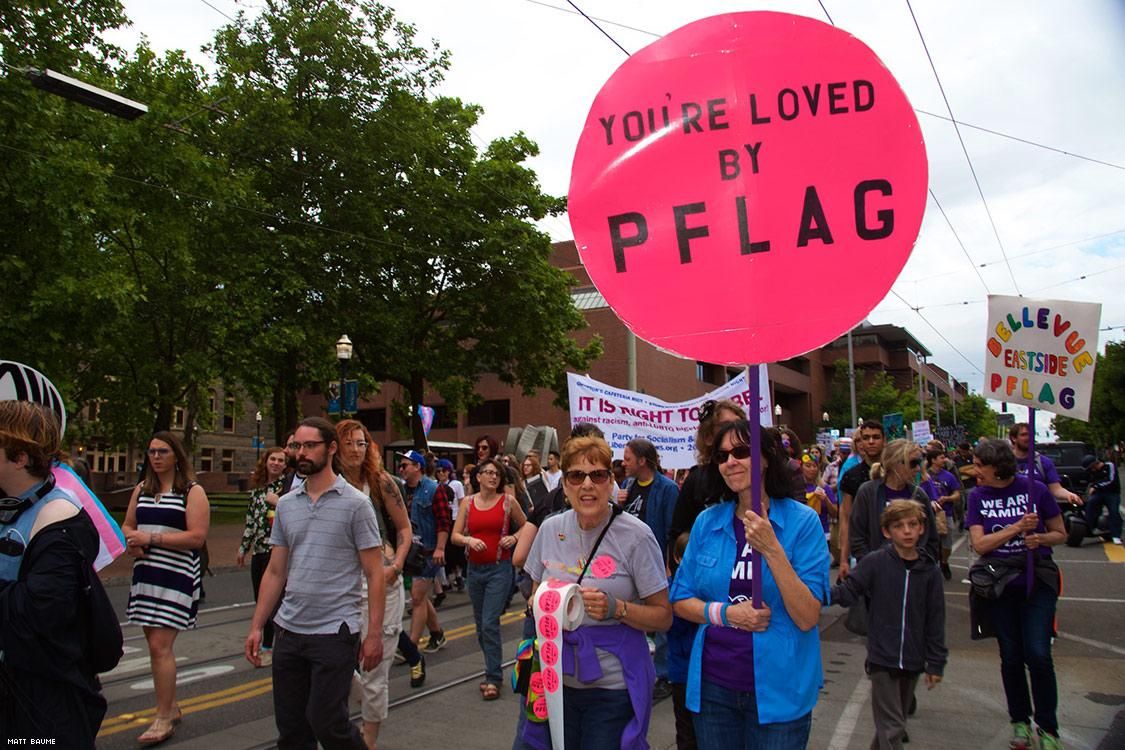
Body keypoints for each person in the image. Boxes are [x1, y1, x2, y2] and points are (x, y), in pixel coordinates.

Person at [670, 421, 829, 748]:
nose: (730, 461)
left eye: (741, 452)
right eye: (722, 455)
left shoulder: (802, 523)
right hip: (714, 689)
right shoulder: (707, 522)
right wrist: (727, 614)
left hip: (780, 690)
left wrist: (772, 547)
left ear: (766, 459)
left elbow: (807, 616)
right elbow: (680, 599)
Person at [522, 435, 672, 749]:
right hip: (555, 684)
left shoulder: (637, 536)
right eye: (576, 476)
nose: (587, 485)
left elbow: (663, 617)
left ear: (611, 482)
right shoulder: (550, 529)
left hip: (611, 690)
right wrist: (539, 604)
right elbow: (535, 597)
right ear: (564, 485)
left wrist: (616, 608)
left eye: (598, 475)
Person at [244, 417, 385, 749]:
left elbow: (375, 572)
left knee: (328, 722)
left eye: (310, 446)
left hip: (334, 633)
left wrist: (374, 635)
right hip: (289, 632)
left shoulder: (356, 504)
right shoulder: (289, 505)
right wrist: (256, 625)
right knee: (291, 731)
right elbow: (276, 571)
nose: (301, 453)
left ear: (331, 448)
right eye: (297, 446)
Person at [0, 402, 114, 746]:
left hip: (41, 700)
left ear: (20, 457)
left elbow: (40, 611)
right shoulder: (13, 502)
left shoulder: (61, 518)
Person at [967, 439, 1066, 750]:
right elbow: (979, 545)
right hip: (999, 586)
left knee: (1038, 654)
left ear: (997, 468)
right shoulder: (977, 497)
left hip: (1036, 581)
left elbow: (1060, 533)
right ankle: (1020, 721)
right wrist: (1015, 528)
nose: (975, 471)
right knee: (1011, 656)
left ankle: (1048, 728)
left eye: (979, 466)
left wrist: (1039, 537)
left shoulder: (1034, 489)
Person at [831, 500, 947, 750]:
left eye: (912, 524)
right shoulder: (876, 562)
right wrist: (815, 594)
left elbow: (936, 619)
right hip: (882, 656)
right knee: (893, 727)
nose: (906, 531)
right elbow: (849, 590)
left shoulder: (929, 571)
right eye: (898, 526)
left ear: (922, 528)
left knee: (892, 724)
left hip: (913, 658)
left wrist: (935, 661)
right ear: (887, 531)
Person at [122, 430, 209, 745]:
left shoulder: (192, 491)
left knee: (160, 645)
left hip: (176, 575)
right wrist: (132, 540)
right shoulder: (142, 489)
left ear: (176, 456)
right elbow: (128, 524)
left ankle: (163, 717)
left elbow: (196, 537)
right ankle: (170, 705)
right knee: (154, 643)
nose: (155, 457)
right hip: (147, 573)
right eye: (151, 452)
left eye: (162, 452)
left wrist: (151, 538)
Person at [337, 420, 414, 750]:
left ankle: (369, 740)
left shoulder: (380, 482)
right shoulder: (328, 484)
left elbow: (405, 530)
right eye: (349, 443)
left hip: (383, 584)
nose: (356, 450)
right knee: (336, 664)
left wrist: (396, 565)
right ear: (335, 448)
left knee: (376, 669)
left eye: (362, 443)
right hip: (343, 587)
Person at [451, 457, 527, 700]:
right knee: (481, 627)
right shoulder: (468, 503)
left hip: (499, 568)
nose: (494, 477)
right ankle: (492, 666)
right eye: (489, 472)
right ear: (479, 476)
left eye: (497, 473)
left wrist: (514, 538)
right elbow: (455, 535)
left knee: (489, 623)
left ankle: (493, 677)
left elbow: (527, 526)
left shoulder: (507, 502)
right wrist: (468, 540)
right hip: (474, 569)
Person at [619, 437, 679, 700]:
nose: (623, 463)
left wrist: (667, 564)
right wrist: (617, 504)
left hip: (654, 563)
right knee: (635, 619)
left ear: (642, 461)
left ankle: (663, 675)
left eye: (628, 458)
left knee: (660, 618)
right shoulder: (627, 486)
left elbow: (671, 530)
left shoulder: (666, 489)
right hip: (626, 563)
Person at [667, 398, 747, 547]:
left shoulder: (755, 474)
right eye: (726, 426)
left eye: (739, 423)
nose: (735, 430)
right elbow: (678, 534)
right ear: (709, 437)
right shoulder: (696, 480)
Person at [850, 439, 940, 566]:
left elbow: (931, 539)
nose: (918, 468)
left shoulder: (919, 495)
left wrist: (921, 566)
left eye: (919, 462)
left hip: (914, 572)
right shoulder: (868, 492)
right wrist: (870, 566)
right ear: (894, 464)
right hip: (876, 572)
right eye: (913, 463)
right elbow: (857, 536)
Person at [237, 446, 287, 665]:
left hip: (275, 550)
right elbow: (251, 521)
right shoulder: (257, 490)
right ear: (265, 462)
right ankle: (266, 641)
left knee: (273, 600)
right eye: (272, 459)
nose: (276, 463)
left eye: (280, 460)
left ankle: (269, 645)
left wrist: (279, 501)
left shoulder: (286, 488)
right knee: (260, 598)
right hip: (258, 550)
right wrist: (243, 548)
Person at [399, 449, 452, 652]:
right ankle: (437, 634)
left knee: (417, 597)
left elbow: (443, 521)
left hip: (429, 551)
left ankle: (411, 646)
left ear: (417, 467)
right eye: (400, 466)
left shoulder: (433, 489)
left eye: (405, 465)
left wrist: (440, 548)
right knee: (420, 596)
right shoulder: (402, 490)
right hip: (410, 551)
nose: (401, 469)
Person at [839, 420, 887, 577]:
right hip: (862, 551)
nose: (871, 442)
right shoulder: (851, 476)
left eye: (876, 437)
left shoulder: (895, 471)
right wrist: (843, 559)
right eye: (866, 438)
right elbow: (846, 518)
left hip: (895, 547)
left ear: (884, 440)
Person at [1008, 423, 1082, 507]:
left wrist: (1069, 495)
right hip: (1011, 511)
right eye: (1024, 435)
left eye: (1031, 434)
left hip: (1038, 512)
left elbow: (1056, 489)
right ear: (1014, 438)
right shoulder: (1003, 462)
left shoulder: (1043, 462)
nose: (1029, 438)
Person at [921, 444, 960, 580]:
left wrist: (948, 498)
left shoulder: (949, 476)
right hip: (929, 514)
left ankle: (944, 561)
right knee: (930, 541)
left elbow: (957, 493)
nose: (944, 460)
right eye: (941, 457)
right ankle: (933, 565)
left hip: (945, 513)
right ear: (933, 460)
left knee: (947, 543)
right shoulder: (925, 476)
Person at [1082, 454, 1122, 544]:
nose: (1092, 470)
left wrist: (1096, 486)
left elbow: (1111, 480)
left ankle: (1116, 535)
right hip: (1099, 493)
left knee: (1114, 511)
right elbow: (1090, 481)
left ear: (1095, 464)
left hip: (1112, 492)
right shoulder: (1092, 472)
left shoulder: (1109, 466)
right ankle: (1091, 527)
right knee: (1090, 505)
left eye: (1091, 467)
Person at [801, 451, 837, 547]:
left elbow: (834, 513)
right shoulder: (796, 488)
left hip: (822, 534)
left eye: (814, 466)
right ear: (801, 468)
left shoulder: (825, 488)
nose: (812, 469)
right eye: (808, 466)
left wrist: (825, 499)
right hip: (801, 535)